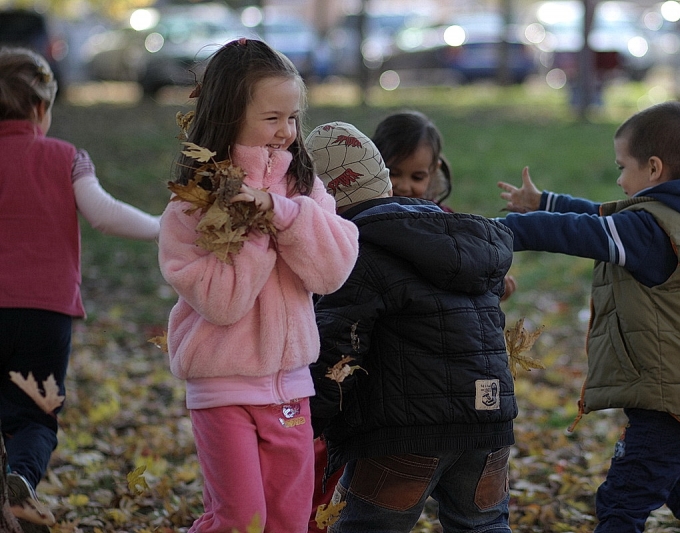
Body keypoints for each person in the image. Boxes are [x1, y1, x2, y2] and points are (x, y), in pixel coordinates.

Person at [496, 101, 680, 532]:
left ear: (653, 169)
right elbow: (606, 217)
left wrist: (498, 231)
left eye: (622, 166)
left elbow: (585, 233)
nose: (618, 178)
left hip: (670, 402)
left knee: (621, 504)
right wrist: (547, 202)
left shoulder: (651, 230)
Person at [157, 40, 359, 533]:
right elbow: (223, 304)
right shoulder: (191, 207)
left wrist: (283, 212)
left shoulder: (305, 190)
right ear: (228, 116)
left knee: (290, 520)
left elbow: (331, 272)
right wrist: (252, 226)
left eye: (293, 118)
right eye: (272, 118)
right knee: (240, 520)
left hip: (291, 382)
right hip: (222, 386)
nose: (287, 132)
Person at [307, 121, 517, 533]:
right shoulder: (454, 236)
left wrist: (310, 424)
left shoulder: (356, 252)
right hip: (488, 422)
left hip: (404, 434)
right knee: (483, 524)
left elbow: (338, 351)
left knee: (367, 525)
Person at [0, 47, 161, 533]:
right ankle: (21, 477)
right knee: (33, 417)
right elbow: (104, 214)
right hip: (42, 314)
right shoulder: (65, 157)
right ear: (41, 109)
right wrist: (160, 226)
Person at [372, 110, 516, 301]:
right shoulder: (356, 216)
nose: (404, 186)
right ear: (373, 163)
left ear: (433, 171)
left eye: (417, 177)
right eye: (393, 173)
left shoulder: (443, 221)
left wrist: (491, 288)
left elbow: (463, 270)